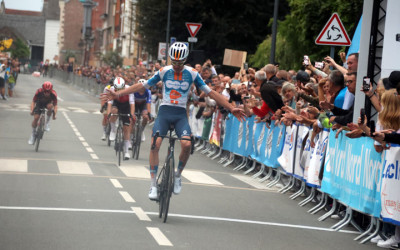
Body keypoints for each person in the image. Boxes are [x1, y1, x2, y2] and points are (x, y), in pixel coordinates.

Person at [101, 42, 245, 200]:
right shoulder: (164, 71)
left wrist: (231, 108)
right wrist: (118, 93)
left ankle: (177, 175)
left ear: (184, 60)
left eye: (180, 63)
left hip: (180, 114)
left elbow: (211, 93)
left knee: (187, 144)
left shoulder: (193, 73)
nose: (176, 66)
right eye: (174, 62)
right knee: (155, 145)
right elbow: (141, 86)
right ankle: (153, 185)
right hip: (165, 112)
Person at [107, 77, 135, 160]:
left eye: (120, 89)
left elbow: (132, 104)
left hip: (126, 106)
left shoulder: (129, 89)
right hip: (117, 103)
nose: (119, 91)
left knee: (126, 129)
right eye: (117, 89)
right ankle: (113, 130)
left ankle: (126, 151)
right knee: (114, 111)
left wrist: (132, 115)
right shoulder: (111, 89)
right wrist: (109, 114)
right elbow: (109, 103)